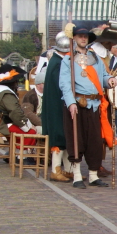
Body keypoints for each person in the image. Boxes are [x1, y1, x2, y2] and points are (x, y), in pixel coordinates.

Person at [58, 27, 117, 188]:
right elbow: (64, 83)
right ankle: (77, 175)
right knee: (76, 139)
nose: (83, 39)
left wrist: (110, 79)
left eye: (85, 36)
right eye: (80, 36)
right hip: (77, 104)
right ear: (75, 38)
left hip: (94, 104)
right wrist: (71, 103)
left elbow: (103, 76)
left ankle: (93, 175)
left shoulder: (96, 59)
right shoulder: (68, 60)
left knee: (95, 141)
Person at [37, 33, 73, 182]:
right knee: (59, 136)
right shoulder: (58, 62)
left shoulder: (57, 60)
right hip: (57, 105)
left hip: (58, 104)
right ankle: (56, 170)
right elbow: (62, 84)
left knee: (66, 137)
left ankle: (69, 170)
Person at [0, 65, 40, 155]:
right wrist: (27, 125)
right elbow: (15, 112)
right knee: (31, 132)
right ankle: (22, 157)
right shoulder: (5, 93)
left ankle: (13, 154)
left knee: (25, 130)